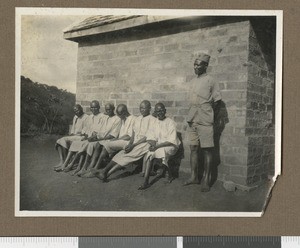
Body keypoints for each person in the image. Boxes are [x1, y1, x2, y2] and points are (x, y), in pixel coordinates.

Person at [184, 52, 222, 192]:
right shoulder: (193, 81)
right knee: (193, 148)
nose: (195, 67)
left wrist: (211, 117)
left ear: (205, 66)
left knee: (207, 150)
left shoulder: (211, 80)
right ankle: (194, 177)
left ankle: (206, 179)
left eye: (198, 64)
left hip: (205, 120)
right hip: (192, 119)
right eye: (194, 64)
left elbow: (217, 102)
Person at [91, 100, 157, 182]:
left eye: (144, 108)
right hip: (134, 143)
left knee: (126, 157)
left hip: (144, 144)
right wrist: (130, 143)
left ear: (149, 108)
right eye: (140, 108)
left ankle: (106, 173)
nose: (142, 110)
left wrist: (133, 145)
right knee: (120, 154)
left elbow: (147, 137)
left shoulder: (153, 120)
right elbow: (133, 133)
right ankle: (104, 172)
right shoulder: (138, 119)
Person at [82, 104, 136, 178]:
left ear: (124, 112)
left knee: (106, 145)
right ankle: (92, 166)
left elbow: (129, 136)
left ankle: (96, 168)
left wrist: (117, 139)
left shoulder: (133, 119)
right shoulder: (123, 118)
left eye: (120, 114)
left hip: (126, 142)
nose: (119, 117)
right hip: (119, 140)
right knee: (99, 143)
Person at [138, 103, 181, 190]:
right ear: (155, 112)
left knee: (160, 152)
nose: (160, 113)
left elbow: (171, 141)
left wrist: (157, 146)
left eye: (161, 110)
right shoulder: (154, 122)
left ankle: (170, 175)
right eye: (158, 111)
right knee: (150, 153)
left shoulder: (171, 123)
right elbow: (150, 136)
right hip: (159, 146)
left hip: (171, 146)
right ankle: (146, 181)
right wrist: (153, 145)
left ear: (165, 111)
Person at [73, 103, 121, 176]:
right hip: (101, 138)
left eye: (109, 109)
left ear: (113, 109)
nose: (108, 111)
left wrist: (99, 138)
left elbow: (113, 135)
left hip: (109, 139)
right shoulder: (106, 118)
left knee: (96, 144)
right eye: (106, 109)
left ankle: (93, 168)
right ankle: (85, 167)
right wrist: (95, 136)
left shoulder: (117, 119)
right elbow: (101, 130)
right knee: (88, 143)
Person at [55, 100, 104, 172]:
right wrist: (86, 135)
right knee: (74, 143)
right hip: (87, 137)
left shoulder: (102, 117)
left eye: (95, 107)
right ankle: (65, 163)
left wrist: (91, 135)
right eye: (92, 107)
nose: (93, 109)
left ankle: (70, 165)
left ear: (99, 107)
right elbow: (87, 129)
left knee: (80, 144)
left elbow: (100, 130)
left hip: (95, 139)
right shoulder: (91, 117)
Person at [54, 104, 88, 170]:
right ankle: (62, 161)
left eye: (77, 110)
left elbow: (84, 132)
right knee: (59, 141)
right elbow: (73, 129)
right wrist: (71, 134)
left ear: (81, 109)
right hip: (74, 135)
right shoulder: (75, 117)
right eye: (75, 111)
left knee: (64, 140)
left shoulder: (86, 117)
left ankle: (66, 163)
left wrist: (74, 135)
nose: (76, 112)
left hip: (81, 137)